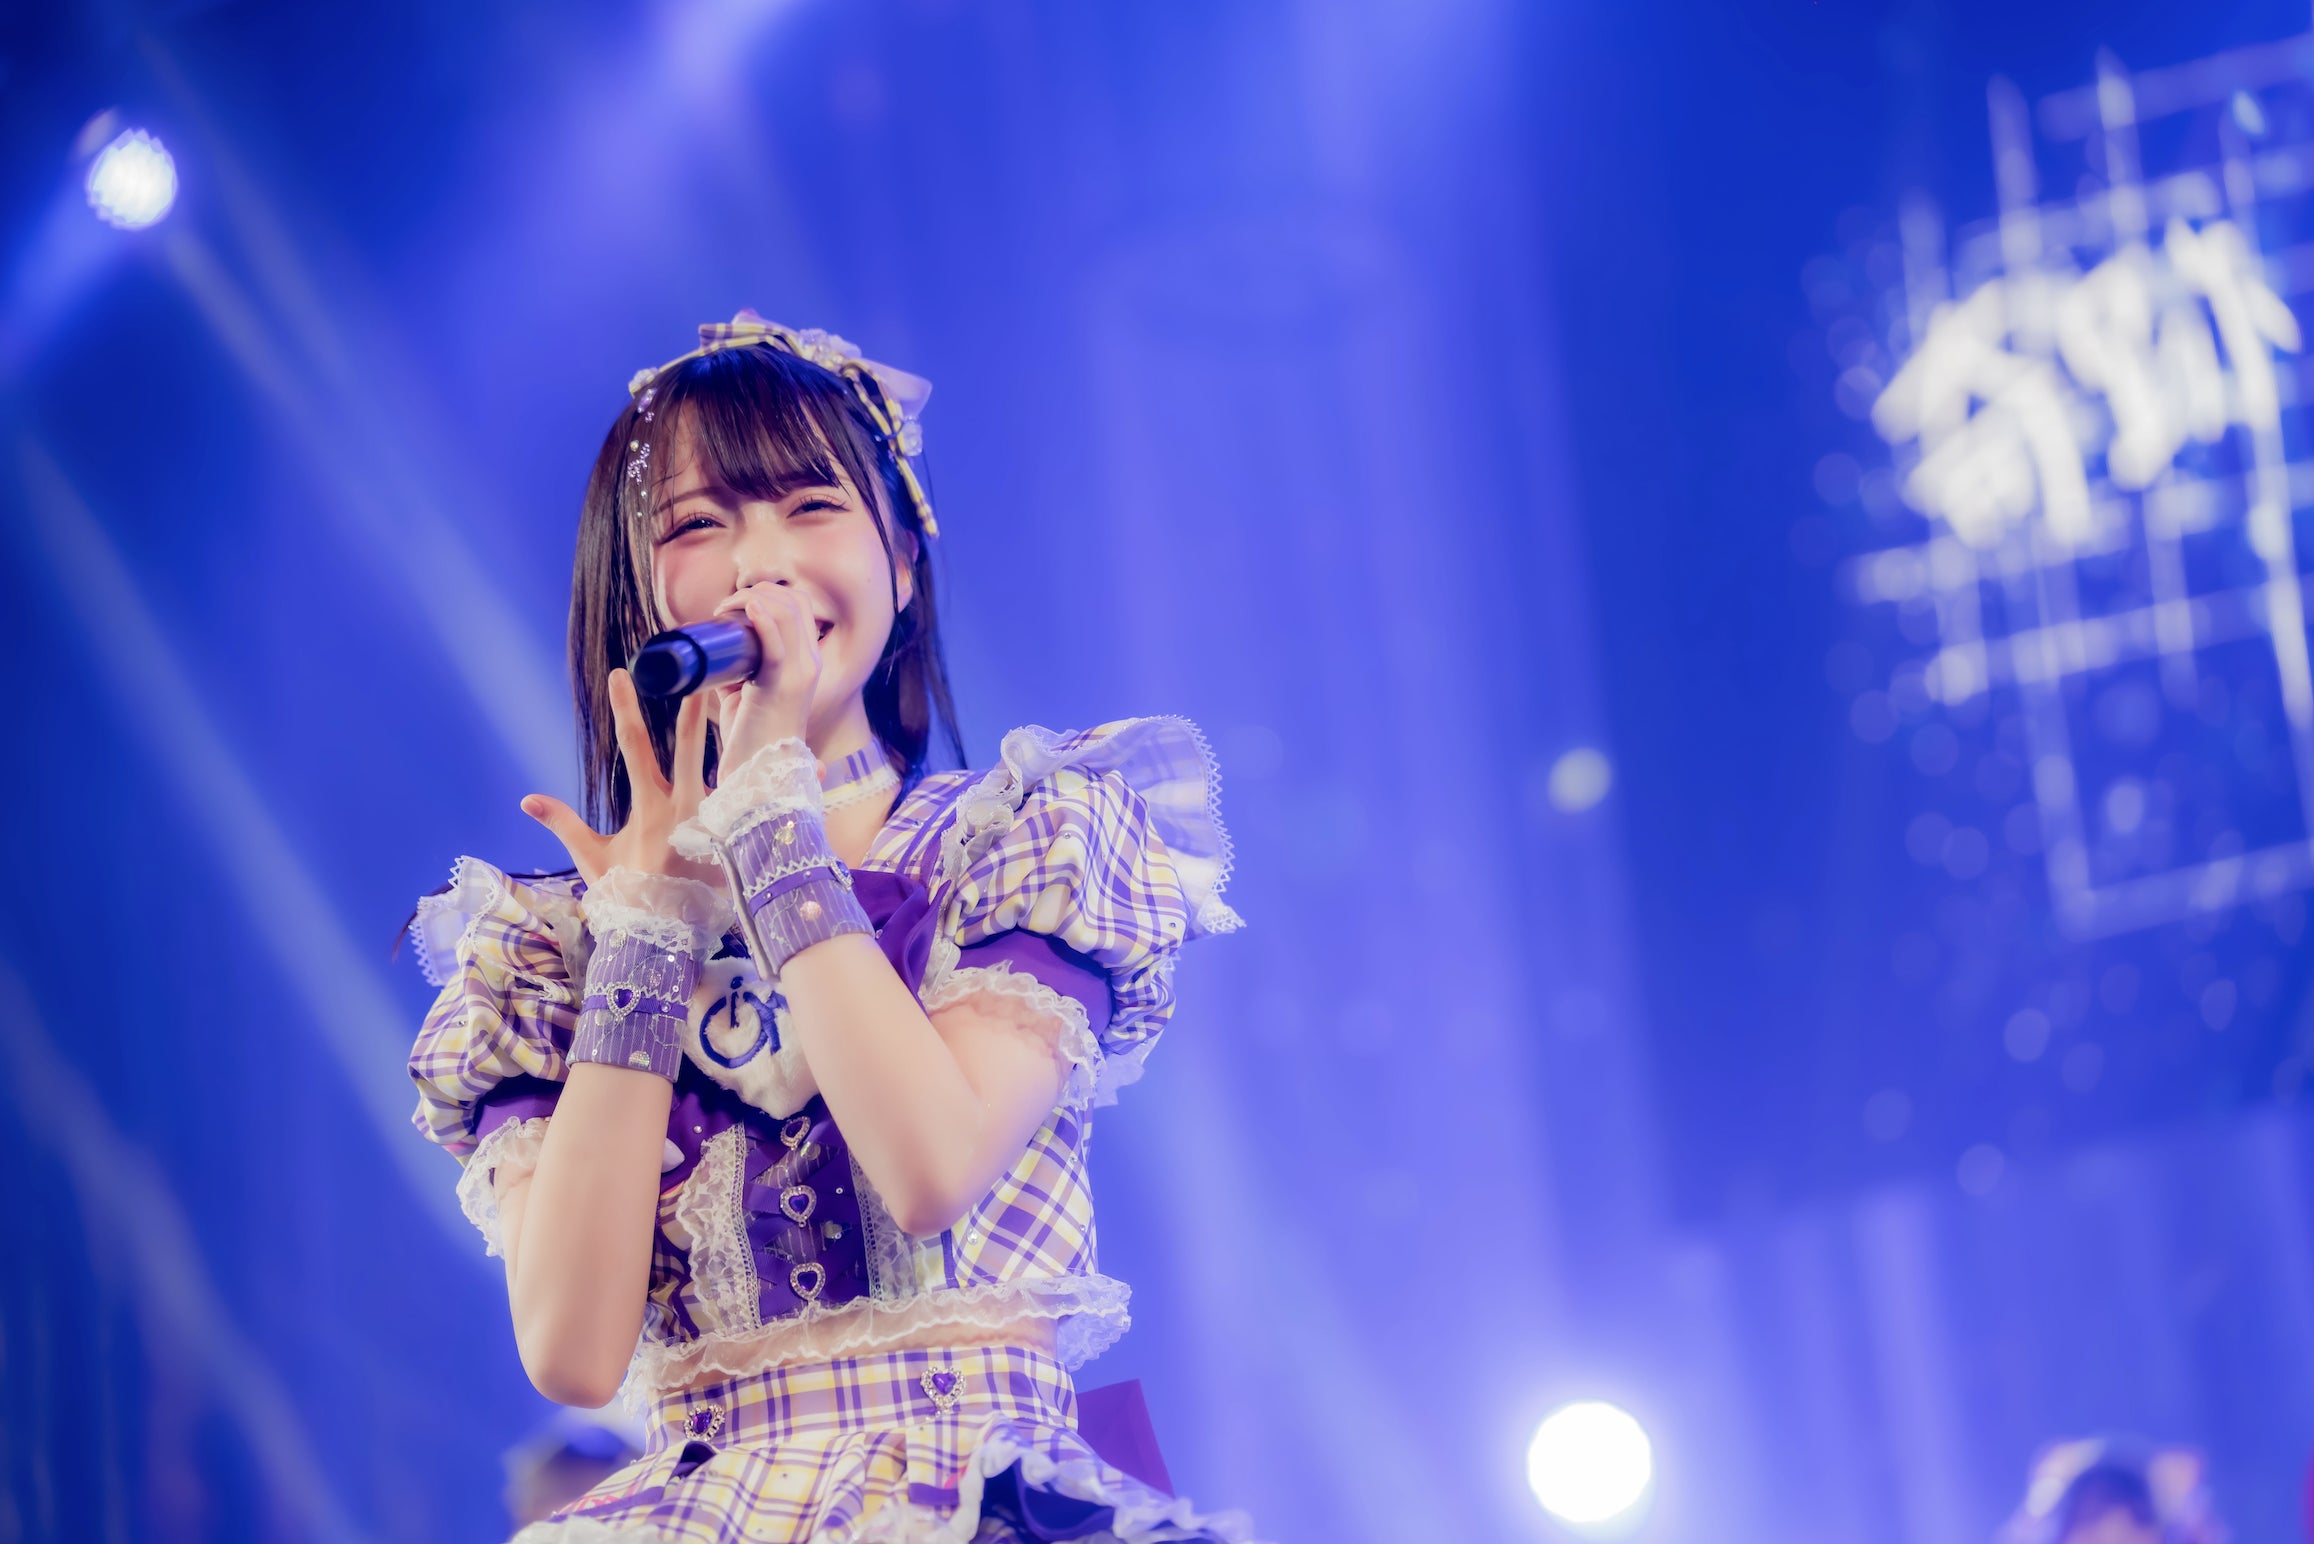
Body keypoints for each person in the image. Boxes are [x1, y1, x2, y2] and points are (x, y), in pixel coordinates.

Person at [406, 313, 1251, 1543]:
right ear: (635, 593)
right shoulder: (561, 947)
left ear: (901, 563)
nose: (761, 567)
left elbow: (931, 1165)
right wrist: (649, 931)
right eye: (697, 525)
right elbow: (573, 1348)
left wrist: (768, 823)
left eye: (810, 506)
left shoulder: (1019, 840)